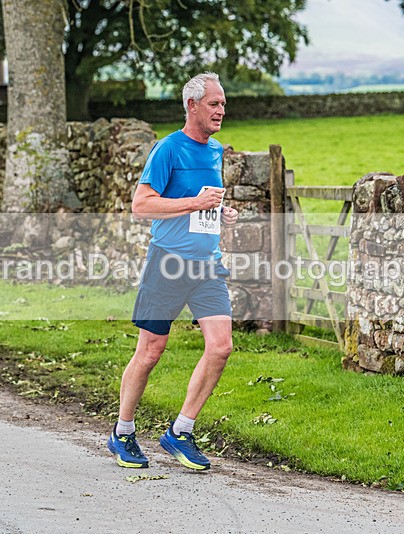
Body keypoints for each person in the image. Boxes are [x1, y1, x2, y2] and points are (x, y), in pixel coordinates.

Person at [106, 72, 238, 471]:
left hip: (207, 265)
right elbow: (142, 205)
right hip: (167, 262)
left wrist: (219, 213)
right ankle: (123, 432)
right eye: (214, 103)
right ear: (192, 105)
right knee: (150, 351)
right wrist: (193, 204)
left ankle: (180, 432)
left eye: (223, 104)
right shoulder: (168, 149)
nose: (221, 110)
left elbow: (201, 205)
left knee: (221, 347)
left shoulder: (215, 151)